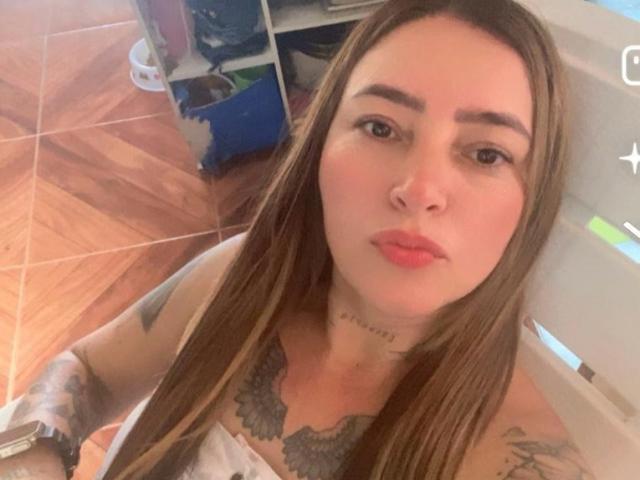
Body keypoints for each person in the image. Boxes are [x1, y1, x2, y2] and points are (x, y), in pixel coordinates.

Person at [0, 0, 599, 479]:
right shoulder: (238, 276)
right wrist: (34, 454)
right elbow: (90, 369)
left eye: (487, 153)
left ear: (533, 201)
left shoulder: (520, 462)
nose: (419, 190)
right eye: (380, 126)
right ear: (321, 146)